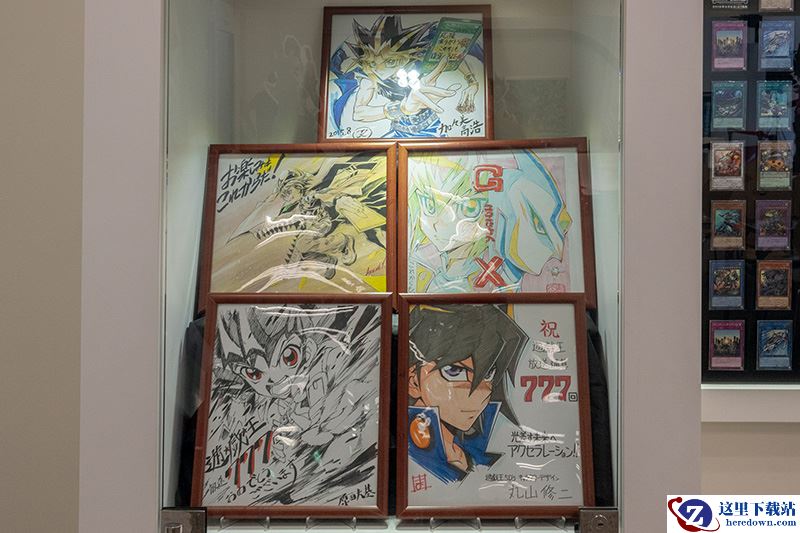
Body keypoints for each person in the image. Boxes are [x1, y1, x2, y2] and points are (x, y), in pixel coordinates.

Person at [407, 303, 528, 483]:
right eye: (454, 371)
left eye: (488, 373)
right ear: (413, 381)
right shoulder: (413, 457)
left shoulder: (475, 450)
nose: (480, 393)